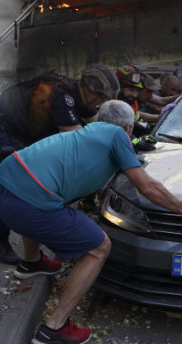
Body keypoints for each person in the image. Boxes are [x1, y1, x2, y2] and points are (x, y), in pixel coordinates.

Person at [0, 100, 182, 344]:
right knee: (98, 247)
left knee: (47, 197)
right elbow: (148, 187)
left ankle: (31, 263)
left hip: (6, 185)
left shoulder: (87, 134)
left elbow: (79, 176)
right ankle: (54, 329)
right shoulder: (118, 135)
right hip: (28, 204)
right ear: (129, 129)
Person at [0, 64, 118, 264]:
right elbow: (83, 143)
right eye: (101, 97)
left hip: (23, 131)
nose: (102, 102)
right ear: (89, 89)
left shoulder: (78, 94)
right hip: (6, 129)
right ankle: (1, 244)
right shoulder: (59, 96)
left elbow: (99, 126)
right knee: (9, 183)